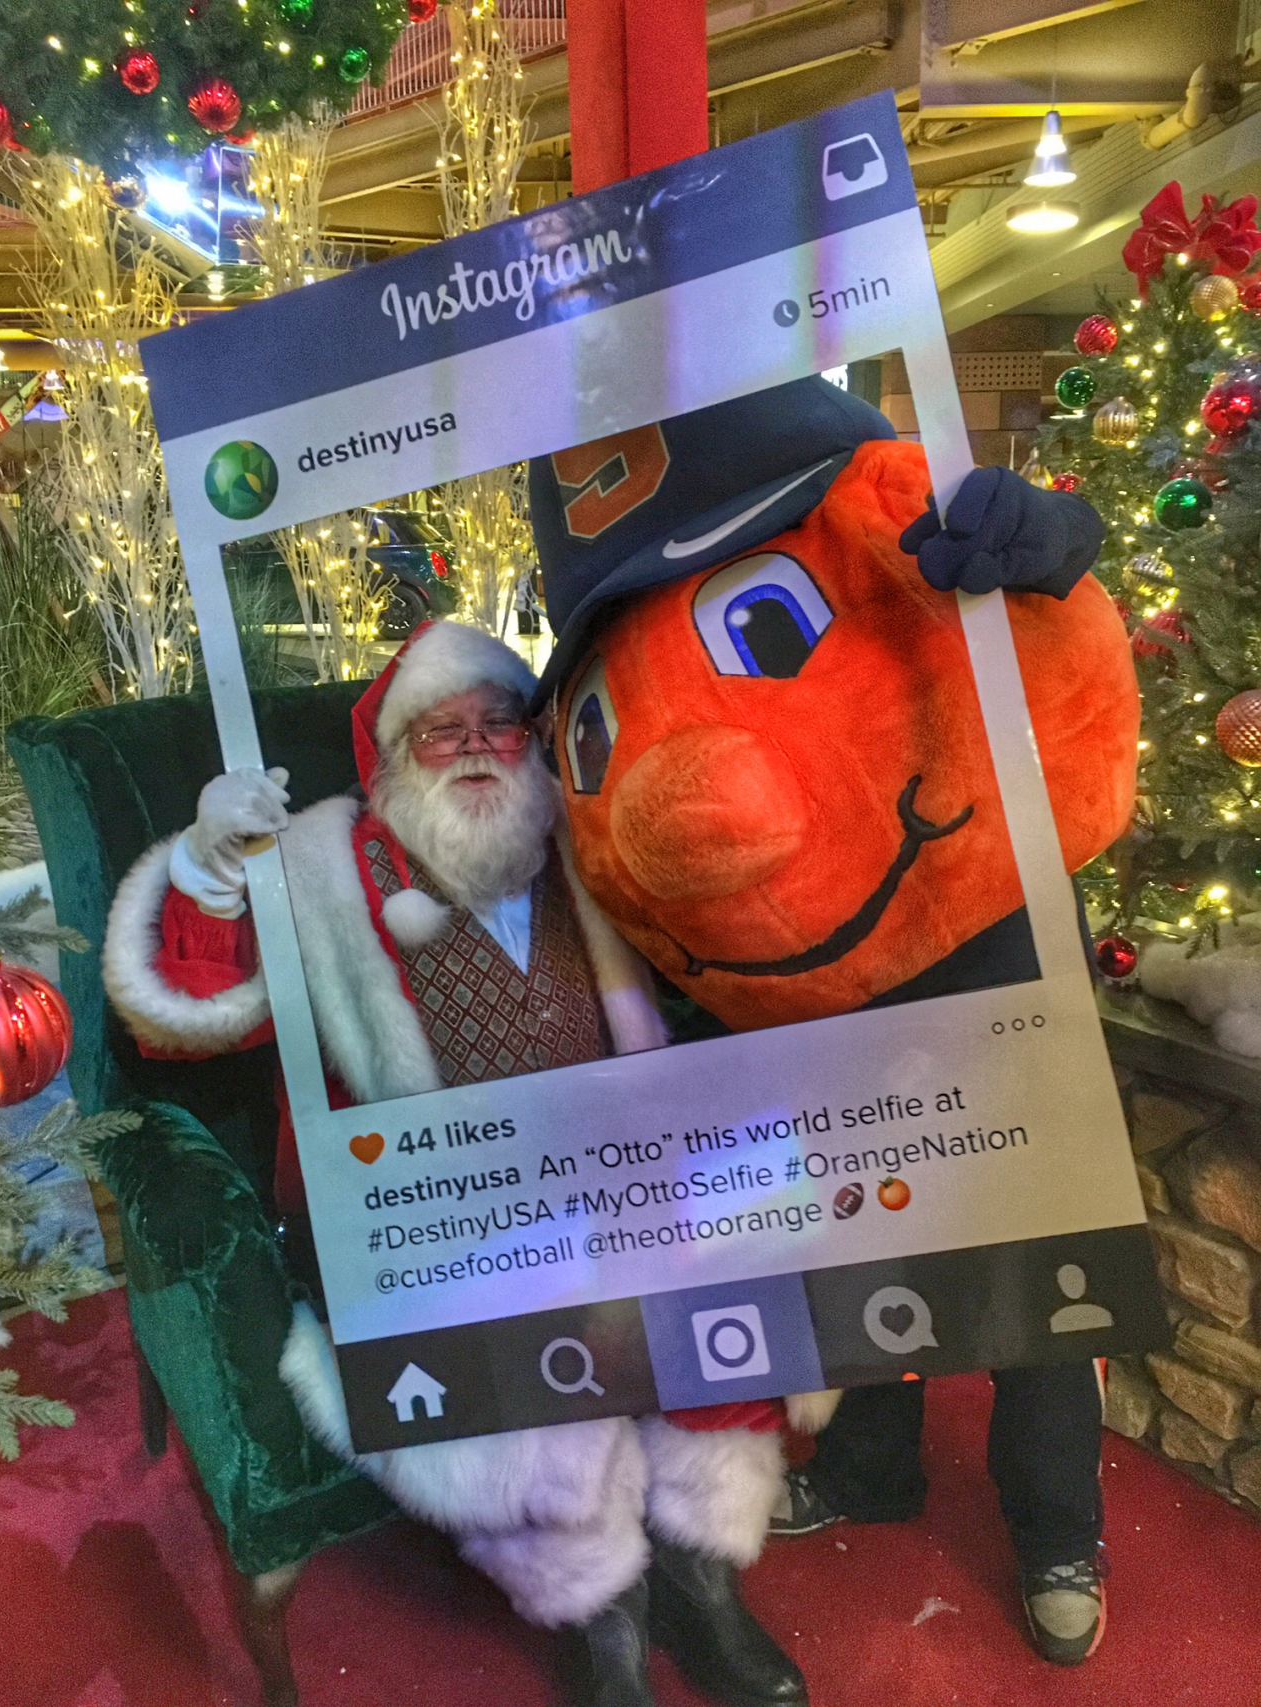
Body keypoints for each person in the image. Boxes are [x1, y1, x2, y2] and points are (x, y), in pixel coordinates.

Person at [526, 375, 1138, 1670]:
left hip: (993, 956)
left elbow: (1051, 580)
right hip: (833, 1009)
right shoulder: (603, 601)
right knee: (866, 1240)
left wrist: (1045, 542)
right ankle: (872, 1468)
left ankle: (1056, 1531)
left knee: (1043, 1274)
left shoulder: (875, 504)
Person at [103, 619, 809, 1707]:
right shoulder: (322, 871)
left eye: (498, 723)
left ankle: (699, 1572)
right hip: (430, 1218)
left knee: (730, 1281)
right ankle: (601, 1614)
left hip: (620, 1177)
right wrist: (210, 865)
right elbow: (184, 1018)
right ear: (389, 757)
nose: (476, 745)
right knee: (537, 1379)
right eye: (441, 730)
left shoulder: (585, 838)